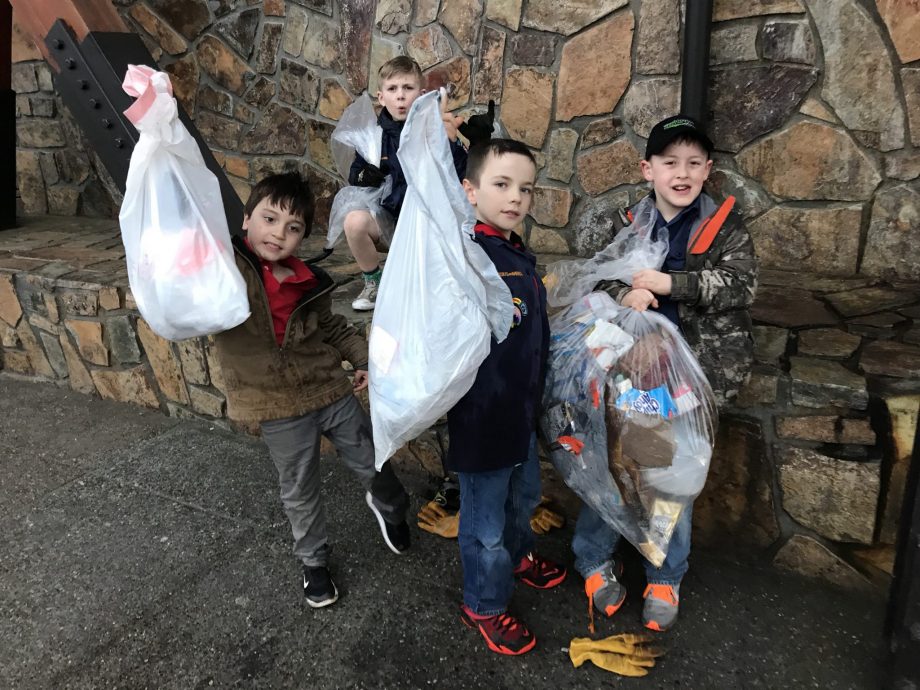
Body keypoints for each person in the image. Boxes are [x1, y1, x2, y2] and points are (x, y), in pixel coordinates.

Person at [572, 115, 757, 632]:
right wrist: (623, 295)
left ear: (708, 170)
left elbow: (740, 285)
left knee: (672, 480)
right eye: (669, 162)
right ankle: (593, 558)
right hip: (629, 377)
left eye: (693, 163)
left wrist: (671, 285)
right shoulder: (626, 222)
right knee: (612, 470)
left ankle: (664, 573)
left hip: (688, 383)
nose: (682, 173)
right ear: (647, 169)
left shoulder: (726, 223)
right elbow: (592, 283)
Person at [209, 172, 411, 608]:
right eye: (269, 219)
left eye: (293, 227)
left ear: (303, 236)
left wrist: (361, 360)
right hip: (278, 404)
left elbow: (333, 327)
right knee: (299, 488)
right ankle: (314, 564)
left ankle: (391, 505)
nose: (278, 233)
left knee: (372, 457)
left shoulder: (310, 280)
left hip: (328, 389)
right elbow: (184, 279)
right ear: (246, 220)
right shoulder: (226, 269)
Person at [446, 139, 567, 656]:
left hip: (520, 414)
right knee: (484, 524)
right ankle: (485, 603)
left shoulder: (514, 250)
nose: (516, 197)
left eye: (526, 189)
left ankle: (520, 557)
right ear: (470, 191)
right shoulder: (466, 256)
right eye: (502, 184)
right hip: (483, 421)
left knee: (523, 501)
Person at [344, 56, 469, 311]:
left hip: (430, 226)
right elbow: (354, 175)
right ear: (381, 97)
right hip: (391, 223)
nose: (400, 96)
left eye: (408, 88)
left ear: (421, 94)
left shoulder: (436, 129)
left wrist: (453, 144)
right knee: (354, 221)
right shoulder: (374, 136)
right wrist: (364, 175)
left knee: (424, 291)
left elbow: (462, 176)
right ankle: (373, 282)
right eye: (392, 89)